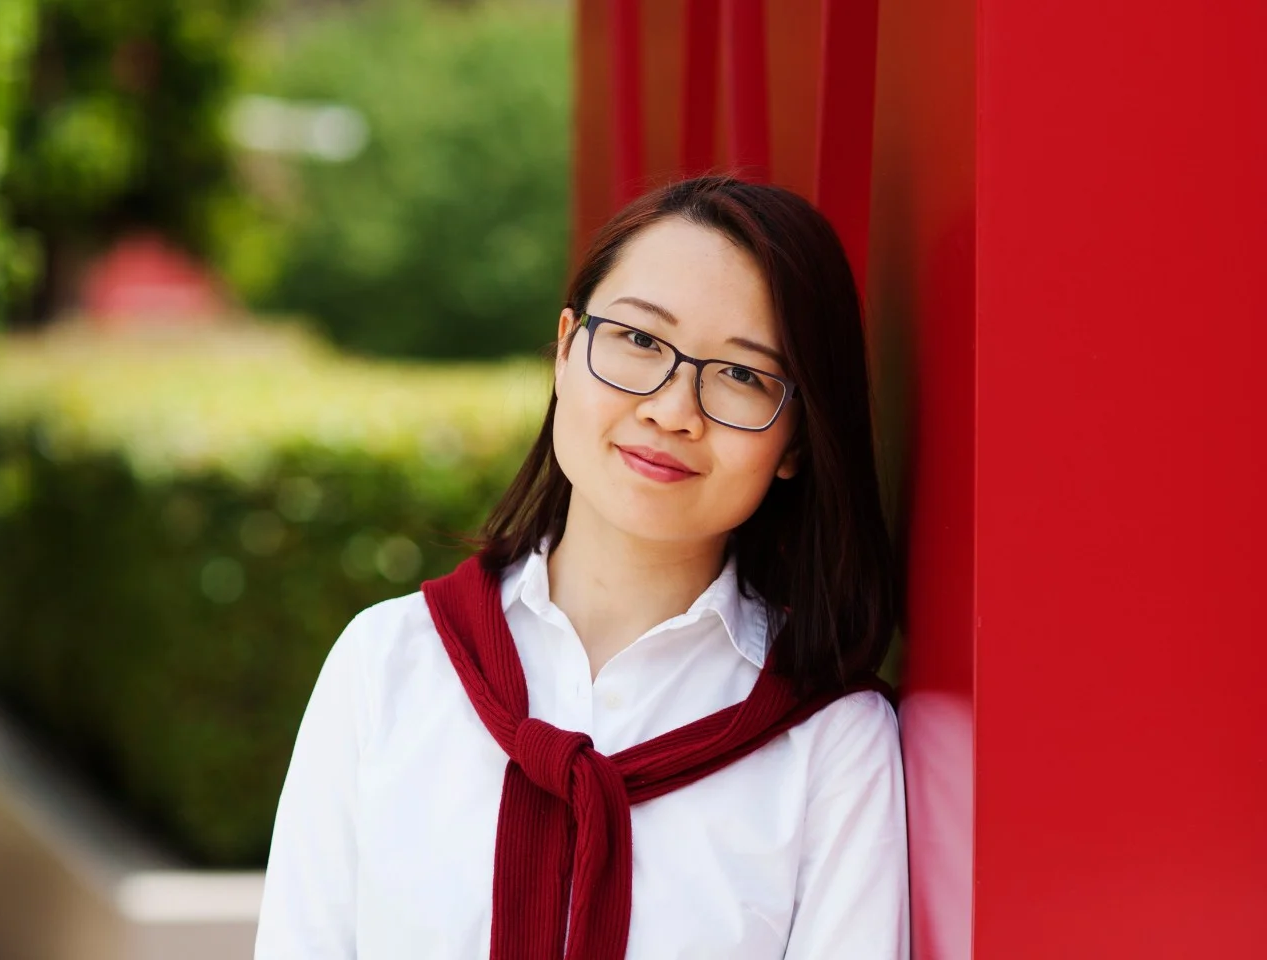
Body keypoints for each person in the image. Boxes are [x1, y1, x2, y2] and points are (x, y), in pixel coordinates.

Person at [254, 175, 909, 959]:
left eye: (742, 374)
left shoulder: (831, 740)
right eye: (638, 340)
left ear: (796, 442)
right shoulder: (388, 665)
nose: (672, 410)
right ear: (565, 350)